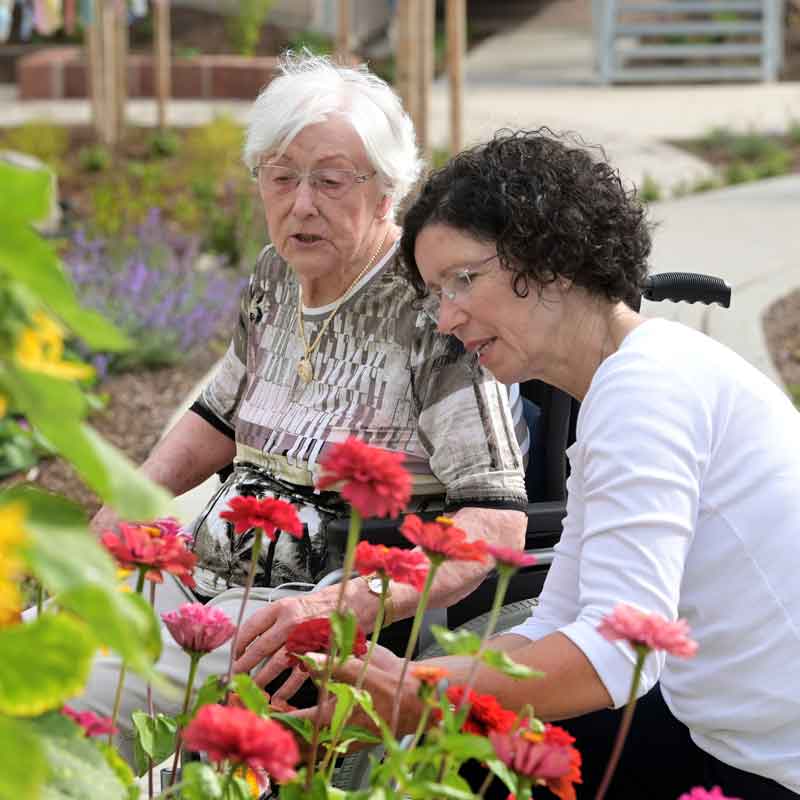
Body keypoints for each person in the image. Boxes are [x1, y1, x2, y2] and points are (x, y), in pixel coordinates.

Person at [321, 129, 800, 798]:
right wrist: (397, 689)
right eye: (436, 293)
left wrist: (416, 694)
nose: (445, 318)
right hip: (729, 739)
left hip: (772, 768)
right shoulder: (633, 378)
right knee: (470, 746)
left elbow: (616, 660)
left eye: (463, 279)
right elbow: (559, 624)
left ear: (552, 258)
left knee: (469, 757)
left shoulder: (646, 389)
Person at [81, 54, 529, 759]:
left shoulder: (430, 311)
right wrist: (130, 496)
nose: (302, 204)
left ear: (387, 192)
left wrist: (338, 604)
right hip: (200, 577)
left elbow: (496, 527)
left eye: (330, 180)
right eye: (282, 177)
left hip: (295, 617)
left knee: (74, 695)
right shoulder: (277, 276)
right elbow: (221, 414)